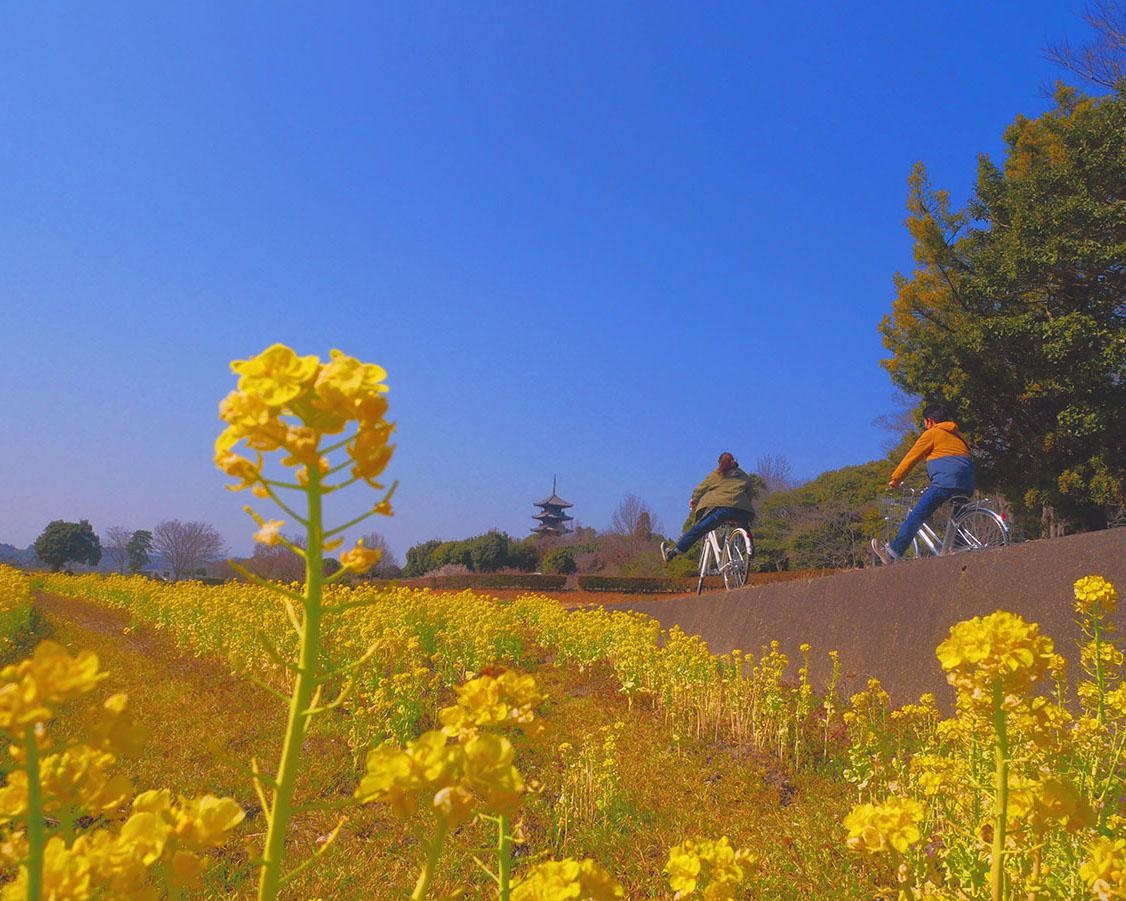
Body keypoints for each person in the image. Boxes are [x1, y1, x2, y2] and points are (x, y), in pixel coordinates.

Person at [871, 402, 975, 564]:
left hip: (944, 483)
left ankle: (893, 552)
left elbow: (911, 458)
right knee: (957, 518)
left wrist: (895, 479)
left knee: (917, 516)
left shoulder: (933, 433)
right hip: (967, 483)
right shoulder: (958, 436)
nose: (925, 426)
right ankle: (956, 549)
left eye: (925, 423)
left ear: (930, 421)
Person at [661, 452, 757, 563]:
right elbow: (750, 492)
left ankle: (673, 553)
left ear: (720, 463)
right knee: (744, 527)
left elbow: (700, 489)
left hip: (724, 510)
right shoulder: (743, 475)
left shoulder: (717, 474)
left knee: (699, 529)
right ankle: (749, 552)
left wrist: (694, 500)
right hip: (745, 511)